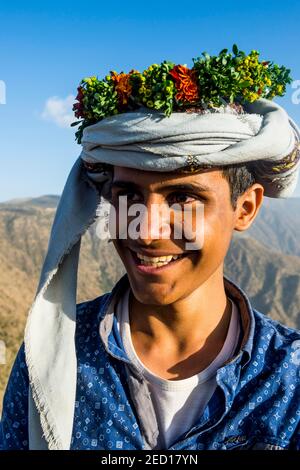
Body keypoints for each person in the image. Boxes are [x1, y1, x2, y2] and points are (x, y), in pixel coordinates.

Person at [1, 46, 300, 450]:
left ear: (244, 208)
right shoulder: (52, 357)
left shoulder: (288, 381)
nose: (146, 232)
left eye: (182, 198)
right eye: (128, 195)